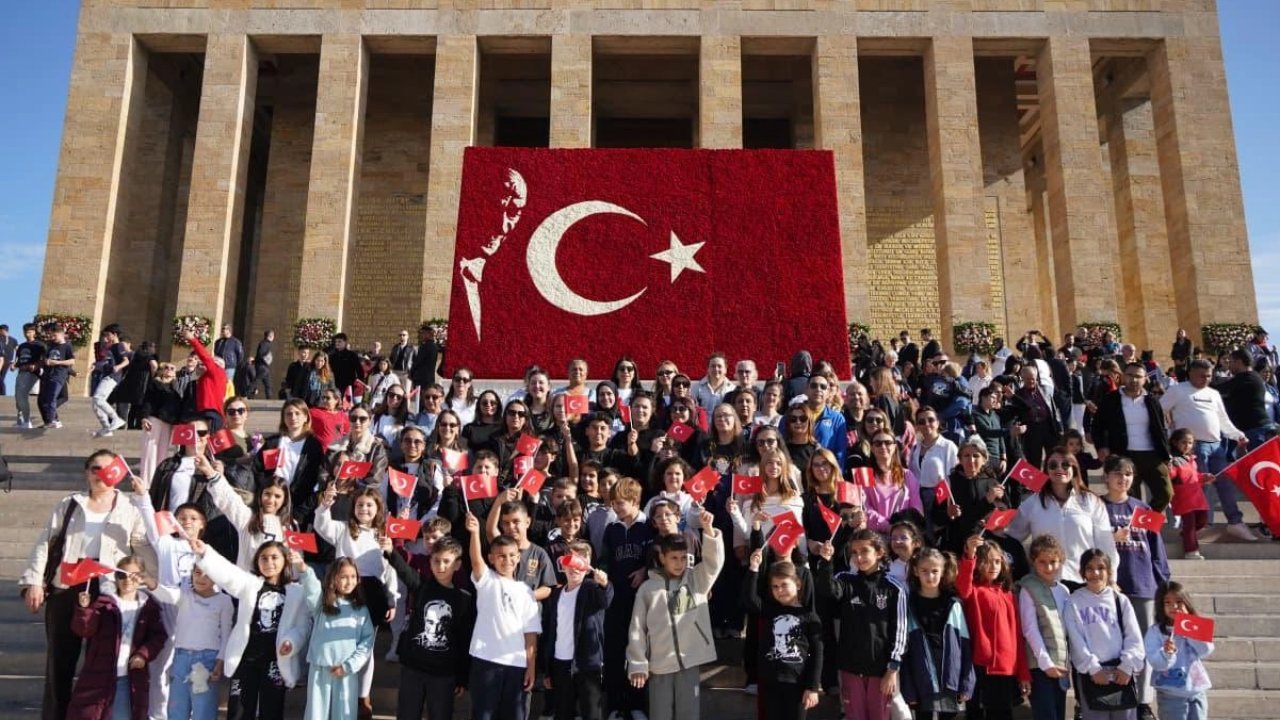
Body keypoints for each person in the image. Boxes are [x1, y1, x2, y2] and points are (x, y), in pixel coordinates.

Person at [20, 449, 152, 720]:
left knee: (100, 663)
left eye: (106, 469)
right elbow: (46, 542)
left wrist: (154, 579)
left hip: (106, 589)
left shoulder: (128, 508)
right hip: (67, 586)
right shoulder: (70, 503)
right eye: (94, 468)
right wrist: (33, 581)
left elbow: (140, 545)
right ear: (86, 472)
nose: (99, 475)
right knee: (59, 662)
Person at [188, 539, 312, 720]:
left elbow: (304, 625)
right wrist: (206, 553)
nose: (269, 562)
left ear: (285, 560)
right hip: (245, 659)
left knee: (272, 710)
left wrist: (291, 642)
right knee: (239, 710)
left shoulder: (297, 592)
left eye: (274, 557)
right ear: (257, 562)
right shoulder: (250, 584)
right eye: (264, 558)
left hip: (275, 661)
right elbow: (228, 573)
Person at [627, 507, 723, 720]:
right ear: (661, 557)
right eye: (673, 558)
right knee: (660, 714)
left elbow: (713, 563)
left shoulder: (696, 580)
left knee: (688, 714)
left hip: (689, 662)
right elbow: (637, 629)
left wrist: (708, 530)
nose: (679, 564)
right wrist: (638, 662)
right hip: (659, 666)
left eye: (682, 558)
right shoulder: (647, 589)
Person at [314, 485, 398, 717]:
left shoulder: (382, 534)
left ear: (378, 508)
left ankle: (363, 696)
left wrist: (392, 598)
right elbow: (321, 525)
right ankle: (339, 693)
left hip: (373, 593)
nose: (364, 508)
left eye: (369, 505)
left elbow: (389, 570)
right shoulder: (343, 529)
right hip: (345, 591)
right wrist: (325, 505)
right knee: (342, 643)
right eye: (360, 504)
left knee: (366, 648)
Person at [1100, 456, 1170, 720]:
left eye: (1128, 474)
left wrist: (1163, 582)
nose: (1123, 478)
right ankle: (1105, 697)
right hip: (1108, 587)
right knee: (1109, 645)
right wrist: (1110, 537)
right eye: (1117, 473)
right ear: (1106, 476)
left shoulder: (1142, 509)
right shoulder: (1097, 507)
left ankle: (1142, 701)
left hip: (1143, 584)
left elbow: (1157, 551)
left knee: (1142, 645)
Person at [814, 528, 907, 720]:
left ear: (879, 552)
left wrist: (892, 668)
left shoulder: (894, 588)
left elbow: (900, 631)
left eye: (864, 551)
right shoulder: (845, 580)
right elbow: (827, 590)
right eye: (854, 553)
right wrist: (826, 562)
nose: (859, 557)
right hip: (850, 667)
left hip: (881, 670)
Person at [381, 534, 476, 720]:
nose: (441, 566)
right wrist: (391, 551)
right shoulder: (422, 586)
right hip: (413, 669)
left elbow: (464, 641)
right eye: (437, 561)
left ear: (457, 564)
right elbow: (404, 570)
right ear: (430, 561)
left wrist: (462, 677)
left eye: (446, 562)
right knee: (407, 714)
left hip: (444, 675)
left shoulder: (463, 600)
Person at [1160, 359, 1256, 540]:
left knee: (1225, 485)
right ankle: (1201, 525)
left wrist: (1238, 435)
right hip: (1193, 448)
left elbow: (1223, 419)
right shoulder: (1177, 390)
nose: (1205, 379)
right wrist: (1170, 432)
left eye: (1209, 376)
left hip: (1217, 445)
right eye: (1201, 376)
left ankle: (1235, 522)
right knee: (1201, 488)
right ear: (1191, 374)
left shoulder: (1214, 393)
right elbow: (1157, 410)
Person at [68, 556, 169, 720]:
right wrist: (85, 610)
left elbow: (158, 636)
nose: (127, 580)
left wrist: (143, 654)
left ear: (141, 577)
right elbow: (84, 630)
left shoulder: (148, 606)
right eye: (122, 575)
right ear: (115, 578)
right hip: (99, 675)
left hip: (129, 679)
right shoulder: (103, 604)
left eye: (133, 575)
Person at [464, 510, 541, 720]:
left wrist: (531, 667)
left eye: (511, 556)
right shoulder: (486, 580)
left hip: (516, 665)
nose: (506, 560)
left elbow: (531, 634)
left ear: (518, 557)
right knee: (483, 715)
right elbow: (475, 560)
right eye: (500, 556)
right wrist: (474, 533)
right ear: (491, 558)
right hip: (485, 661)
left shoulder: (526, 591)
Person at [1007, 448, 1118, 587]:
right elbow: (1012, 537)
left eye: (1065, 465)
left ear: (1074, 468)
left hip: (1084, 583)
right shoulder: (1032, 503)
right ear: (1046, 470)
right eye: (1053, 465)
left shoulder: (1091, 501)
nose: (1059, 469)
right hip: (1045, 585)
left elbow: (1106, 544)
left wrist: (1111, 578)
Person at [1063, 549, 1145, 720]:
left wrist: (1127, 665)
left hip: (1121, 674)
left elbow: (1133, 635)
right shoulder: (1073, 601)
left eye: (1101, 568)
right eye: (1090, 568)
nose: (1095, 573)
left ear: (1109, 572)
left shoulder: (1120, 600)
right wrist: (1093, 668)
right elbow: (1076, 640)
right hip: (1093, 676)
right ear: (1082, 572)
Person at [957, 535, 1030, 720]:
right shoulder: (973, 590)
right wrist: (970, 555)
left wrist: (1023, 673)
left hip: (1005, 669)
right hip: (979, 666)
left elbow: (1017, 637)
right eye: (987, 561)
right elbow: (962, 588)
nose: (993, 566)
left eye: (997, 561)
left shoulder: (1008, 594)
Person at [743, 550, 823, 720]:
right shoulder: (769, 610)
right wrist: (753, 568)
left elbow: (817, 653)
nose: (780, 590)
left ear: (798, 584)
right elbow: (749, 599)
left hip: (798, 684)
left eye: (784, 585)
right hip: (770, 682)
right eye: (775, 587)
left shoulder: (809, 616)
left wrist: (813, 687)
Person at [539, 540, 613, 720]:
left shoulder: (591, 588)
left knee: (591, 713)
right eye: (570, 562)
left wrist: (604, 585)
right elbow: (551, 632)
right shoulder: (556, 594)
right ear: (563, 565)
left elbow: (605, 600)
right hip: (560, 663)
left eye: (580, 563)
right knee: (563, 712)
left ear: (588, 568)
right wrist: (548, 670)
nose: (574, 568)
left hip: (587, 663)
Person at [296, 557, 376, 720]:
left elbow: (366, 643)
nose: (349, 581)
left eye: (353, 576)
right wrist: (304, 569)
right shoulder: (322, 604)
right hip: (320, 668)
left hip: (346, 672)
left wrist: (349, 666)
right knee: (316, 713)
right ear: (333, 578)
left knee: (344, 713)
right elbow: (311, 589)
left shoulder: (360, 609)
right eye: (344, 576)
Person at [151, 564, 234, 720]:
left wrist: (220, 661)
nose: (201, 578)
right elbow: (165, 593)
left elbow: (226, 633)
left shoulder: (224, 601)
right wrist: (149, 581)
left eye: (207, 575)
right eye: (197, 573)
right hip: (181, 658)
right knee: (177, 709)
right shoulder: (184, 595)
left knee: (203, 710)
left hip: (207, 660)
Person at [901, 547, 975, 720]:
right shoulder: (908, 604)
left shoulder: (953, 604)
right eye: (924, 571)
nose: (930, 576)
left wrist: (966, 682)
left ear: (943, 572)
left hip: (950, 680)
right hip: (921, 681)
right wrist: (909, 688)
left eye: (935, 571)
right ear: (916, 571)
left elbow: (964, 646)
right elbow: (904, 650)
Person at [1091, 363, 1172, 512]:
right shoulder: (1111, 399)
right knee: (1131, 497)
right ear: (1122, 376)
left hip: (1152, 455)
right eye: (1130, 375)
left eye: (1138, 376)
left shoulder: (1152, 400)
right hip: (1124, 454)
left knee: (1165, 494)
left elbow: (1161, 429)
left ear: (1145, 379)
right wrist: (1102, 447)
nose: (1133, 380)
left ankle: (1146, 524)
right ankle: (1134, 530)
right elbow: (1097, 426)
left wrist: (1167, 455)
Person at [1017, 534, 1073, 720]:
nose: (1049, 567)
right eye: (1042, 562)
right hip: (1040, 667)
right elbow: (1030, 629)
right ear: (1033, 561)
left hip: (1061, 665)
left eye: (1053, 561)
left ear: (1061, 561)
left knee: (1058, 714)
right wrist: (1046, 663)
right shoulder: (1028, 588)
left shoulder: (1064, 591)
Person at [1144, 581, 1213, 720]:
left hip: (1196, 690)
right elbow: (1156, 662)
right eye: (1167, 603)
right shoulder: (1155, 631)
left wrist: (1188, 629)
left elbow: (1205, 650)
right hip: (1171, 694)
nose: (1174, 607)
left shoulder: (1195, 625)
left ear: (1187, 603)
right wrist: (1166, 653)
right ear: (1161, 606)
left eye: (1179, 602)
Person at [1167, 429, 1211, 559]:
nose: (1187, 445)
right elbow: (1172, 475)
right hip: (1184, 497)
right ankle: (1191, 551)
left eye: (1190, 443)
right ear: (1175, 443)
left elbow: (1195, 476)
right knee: (1190, 524)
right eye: (1183, 442)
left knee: (1203, 520)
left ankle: (1186, 535)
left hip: (1197, 496)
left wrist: (1204, 477)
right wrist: (1169, 468)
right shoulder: (1174, 460)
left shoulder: (1191, 459)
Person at [91, 324, 130, 437]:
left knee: (98, 398)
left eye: (108, 335)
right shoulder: (110, 347)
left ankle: (116, 419)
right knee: (95, 403)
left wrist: (118, 367)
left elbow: (126, 361)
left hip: (113, 376)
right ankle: (106, 428)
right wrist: (96, 365)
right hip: (106, 375)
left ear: (115, 335)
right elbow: (107, 362)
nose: (106, 337)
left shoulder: (119, 346)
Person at [37, 322, 75, 429]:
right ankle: (52, 420)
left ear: (61, 334)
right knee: (44, 399)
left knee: (52, 397)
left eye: (54, 335)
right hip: (47, 374)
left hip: (58, 375)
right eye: (50, 335)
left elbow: (72, 361)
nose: (52, 337)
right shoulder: (50, 345)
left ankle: (52, 420)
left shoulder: (67, 346)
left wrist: (57, 363)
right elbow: (45, 358)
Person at [13, 323, 44, 429]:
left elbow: (43, 359)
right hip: (21, 372)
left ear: (34, 332)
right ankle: (20, 420)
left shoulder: (39, 345)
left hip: (31, 373)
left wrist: (36, 365)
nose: (27, 334)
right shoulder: (22, 346)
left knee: (21, 395)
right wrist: (14, 365)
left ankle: (27, 421)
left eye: (30, 332)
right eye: (25, 332)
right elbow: (18, 360)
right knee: (18, 397)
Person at [408, 323, 441, 403]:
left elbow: (418, 362)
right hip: (429, 379)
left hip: (421, 379)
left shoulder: (426, 346)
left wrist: (411, 374)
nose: (421, 335)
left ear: (428, 334)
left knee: (421, 401)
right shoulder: (434, 346)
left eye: (423, 333)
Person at [247, 330, 274, 399]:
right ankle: (247, 393)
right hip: (262, 366)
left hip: (264, 367)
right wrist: (266, 359)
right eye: (273, 335)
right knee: (256, 381)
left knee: (268, 384)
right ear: (270, 336)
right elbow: (260, 354)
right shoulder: (264, 343)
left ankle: (269, 397)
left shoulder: (265, 343)